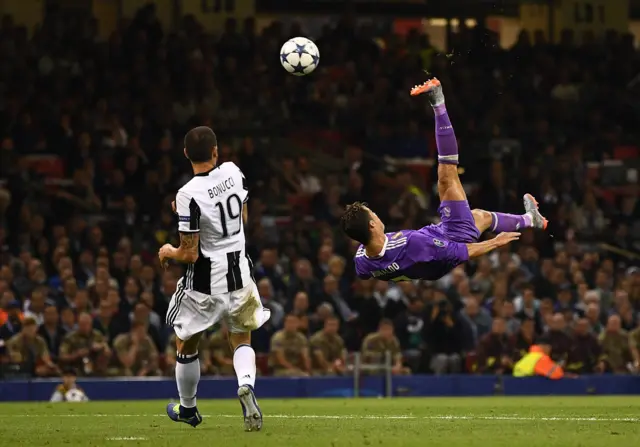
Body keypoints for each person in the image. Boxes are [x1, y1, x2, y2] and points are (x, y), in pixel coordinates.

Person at [341, 78, 547, 283]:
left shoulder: (362, 261)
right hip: (450, 241)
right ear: (371, 226)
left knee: (480, 217)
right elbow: (461, 252)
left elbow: (367, 273)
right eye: (373, 215)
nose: (377, 215)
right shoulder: (413, 246)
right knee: (447, 176)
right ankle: (438, 101)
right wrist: (495, 242)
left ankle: (531, 219)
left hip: (434, 241)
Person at [158, 126, 270, 431]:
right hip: (240, 275)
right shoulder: (234, 172)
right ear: (216, 151)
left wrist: (168, 250)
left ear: (185, 155)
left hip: (205, 284)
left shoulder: (187, 194)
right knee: (241, 337)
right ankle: (246, 384)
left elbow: (190, 253)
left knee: (185, 342)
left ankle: (188, 409)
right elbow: (241, 220)